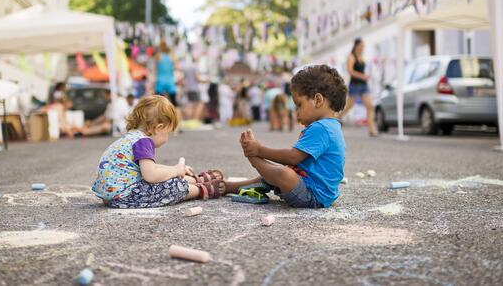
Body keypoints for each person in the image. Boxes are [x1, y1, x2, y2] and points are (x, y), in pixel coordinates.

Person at [224, 65, 347, 208]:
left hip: (313, 194)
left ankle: (253, 159)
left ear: (318, 100)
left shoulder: (322, 128)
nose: (297, 112)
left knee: (283, 174)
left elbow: (293, 157)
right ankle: (228, 186)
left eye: (299, 105)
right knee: (271, 176)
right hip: (306, 183)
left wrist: (258, 152)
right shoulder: (329, 126)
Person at [91, 95, 226, 208]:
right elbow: (151, 175)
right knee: (172, 186)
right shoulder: (144, 141)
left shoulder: (131, 137)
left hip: (112, 196)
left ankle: (196, 180)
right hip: (125, 196)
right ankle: (200, 189)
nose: (168, 137)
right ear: (158, 128)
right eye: (168, 132)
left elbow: (151, 169)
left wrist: (176, 169)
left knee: (165, 176)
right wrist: (176, 171)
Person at [341, 38, 378, 137]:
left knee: (370, 106)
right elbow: (350, 71)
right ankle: (335, 120)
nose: (363, 47)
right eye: (361, 45)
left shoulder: (361, 56)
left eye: (363, 46)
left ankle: (372, 129)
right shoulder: (351, 56)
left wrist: (365, 76)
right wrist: (363, 76)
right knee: (348, 107)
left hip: (363, 85)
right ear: (356, 45)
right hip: (355, 85)